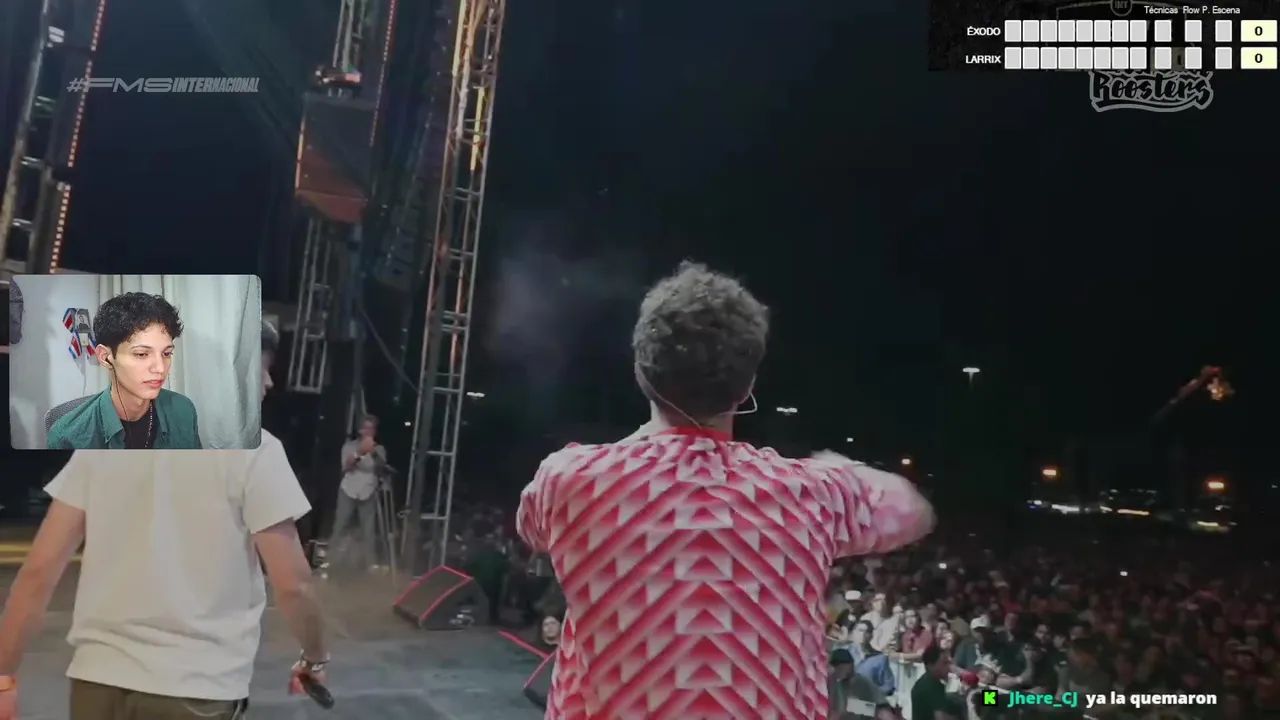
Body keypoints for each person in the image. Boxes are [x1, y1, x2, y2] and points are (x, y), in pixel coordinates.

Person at [516, 262, 935, 719]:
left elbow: (532, 528)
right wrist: (839, 468)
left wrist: (629, 449)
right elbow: (911, 508)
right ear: (747, 386)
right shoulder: (812, 492)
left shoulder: (571, 479)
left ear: (640, 372)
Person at [0, 320, 330, 719]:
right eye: (260, 369)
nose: (268, 382)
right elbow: (293, 583)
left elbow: (39, 570)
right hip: (195, 688)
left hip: (97, 684)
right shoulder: (256, 451)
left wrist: (4, 676)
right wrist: (314, 658)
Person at [46, 292, 201, 449]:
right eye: (141, 354)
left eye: (166, 354)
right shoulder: (67, 438)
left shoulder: (183, 411)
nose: (160, 368)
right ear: (105, 357)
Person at [328, 416, 386, 571]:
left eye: (371, 428)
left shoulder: (379, 449)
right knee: (340, 526)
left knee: (368, 530)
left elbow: (381, 467)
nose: (368, 431)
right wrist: (360, 452)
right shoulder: (349, 446)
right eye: (365, 428)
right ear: (360, 430)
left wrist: (373, 452)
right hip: (349, 490)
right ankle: (329, 562)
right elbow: (347, 467)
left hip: (368, 491)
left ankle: (371, 564)